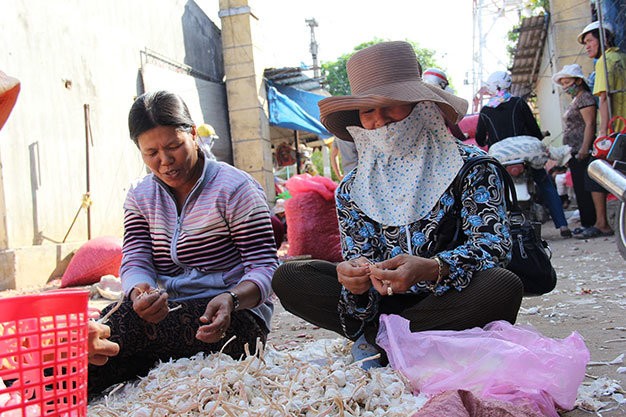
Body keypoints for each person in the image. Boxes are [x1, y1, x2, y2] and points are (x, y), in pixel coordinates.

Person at [272, 41, 523, 369]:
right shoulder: (353, 187)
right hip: (382, 305)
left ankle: (387, 343)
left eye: (392, 105)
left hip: (449, 298)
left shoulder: (472, 167)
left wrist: (432, 268)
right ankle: (403, 340)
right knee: (291, 277)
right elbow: (358, 254)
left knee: (502, 286)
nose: (381, 121)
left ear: (420, 105)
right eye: (368, 111)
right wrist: (356, 275)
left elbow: (493, 249)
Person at [88, 90, 279, 396]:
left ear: (192, 134)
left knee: (121, 330)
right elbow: (136, 259)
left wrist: (232, 298)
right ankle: (34, 391)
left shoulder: (235, 189)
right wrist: (142, 293)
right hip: (162, 315)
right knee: (105, 342)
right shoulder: (140, 196)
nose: (165, 161)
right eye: (151, 153)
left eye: (174, 146)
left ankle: (41, 385)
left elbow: (266, 267)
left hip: (231, 319)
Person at [475, 70, 573, 238]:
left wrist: (488, 142)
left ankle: (498, 232)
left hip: (500, 157)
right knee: (546, 184)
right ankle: (563, 225)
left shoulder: (485, 110)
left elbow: (479, 139)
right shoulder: (518, 102)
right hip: (525, 154)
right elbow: (534, 131)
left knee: (496, 190)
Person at [577, 20, 624, 238]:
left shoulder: (603, 62)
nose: (587, 46)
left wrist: (603, 134)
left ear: (603, 39)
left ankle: (602, 223)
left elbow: (603, 98)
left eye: (590, 41)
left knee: (594, 172)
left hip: (615, 128)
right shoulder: (621, 58)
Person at [552, 64, 597, 233]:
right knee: (579, 187)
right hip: (574, 150)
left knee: (585, 187)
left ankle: (590, 223)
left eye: (567, 82)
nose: (565, 86)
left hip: (582, 150)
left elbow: (590, 124)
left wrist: (585, 148)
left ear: (578, 81)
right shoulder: (577, 99)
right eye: (562, 83)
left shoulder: (585, 98)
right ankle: (586, 223)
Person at [422, 68, 467, 141]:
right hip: (439, 149)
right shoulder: (445, 107)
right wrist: (466, 136)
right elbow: (457, 134)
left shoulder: (412, 104)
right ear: (442, 84)